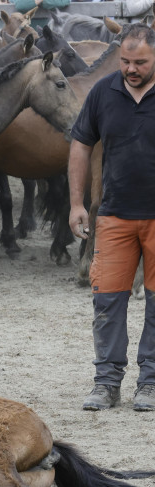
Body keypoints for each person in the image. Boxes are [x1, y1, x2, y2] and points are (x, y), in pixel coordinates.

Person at [69, 23, 155, 412]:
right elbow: (81, 145)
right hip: (116, 215)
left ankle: (150, 383)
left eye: (140, 62)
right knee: (107, 302)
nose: (131, 68)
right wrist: (76, 203)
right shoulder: (104, 92)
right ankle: (106, 383)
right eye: (125, 61)